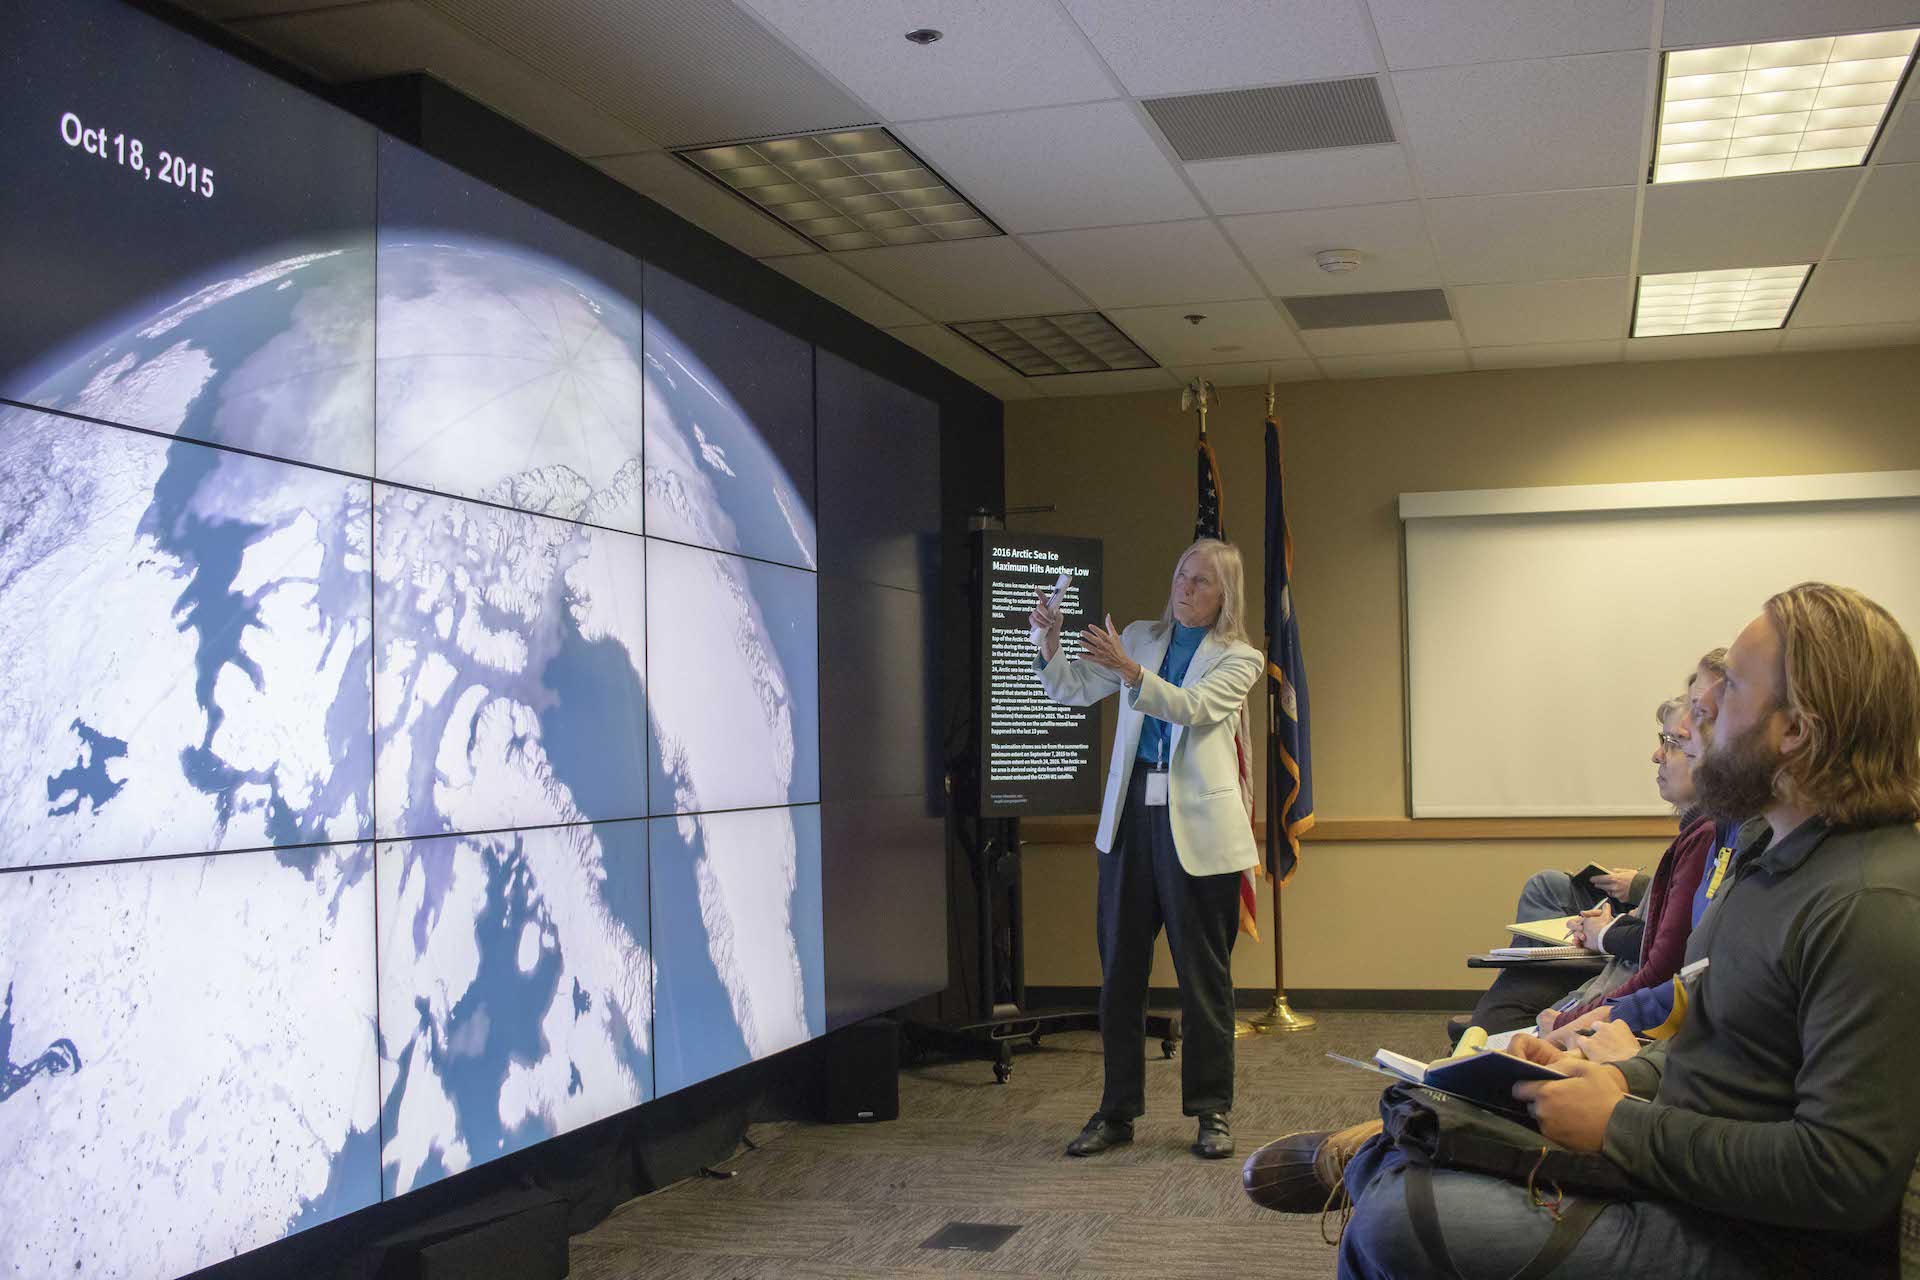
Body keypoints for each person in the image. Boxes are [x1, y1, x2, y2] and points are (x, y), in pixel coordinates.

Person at [1328, 583, 1920, 1277]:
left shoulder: (1871, 902)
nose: (1703, 717)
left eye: (1727, 691)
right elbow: (1729, 1047)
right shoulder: (1771, 863)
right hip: (1687, 1179)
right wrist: (1614, 1073)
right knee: (1410, 1140)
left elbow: (1843, 1175)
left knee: (1395, 1219)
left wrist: (1619, 1124)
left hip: (1759, 1240)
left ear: (1794, 731)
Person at [1030, 537, 1262, 1161]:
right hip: (1130, 820)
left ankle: (1212, 1112)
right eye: (1181, 574)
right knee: (1120, 977)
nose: (1184, 588)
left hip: (1199, 834)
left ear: (1224, 597)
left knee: (1203, 979)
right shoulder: (1138, 635)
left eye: (1201, 582)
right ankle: (1116, 1112)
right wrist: (1048, 641)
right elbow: (1069, 690)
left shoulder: (1241, 658)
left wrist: (1132, 673)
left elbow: (1192, 709)